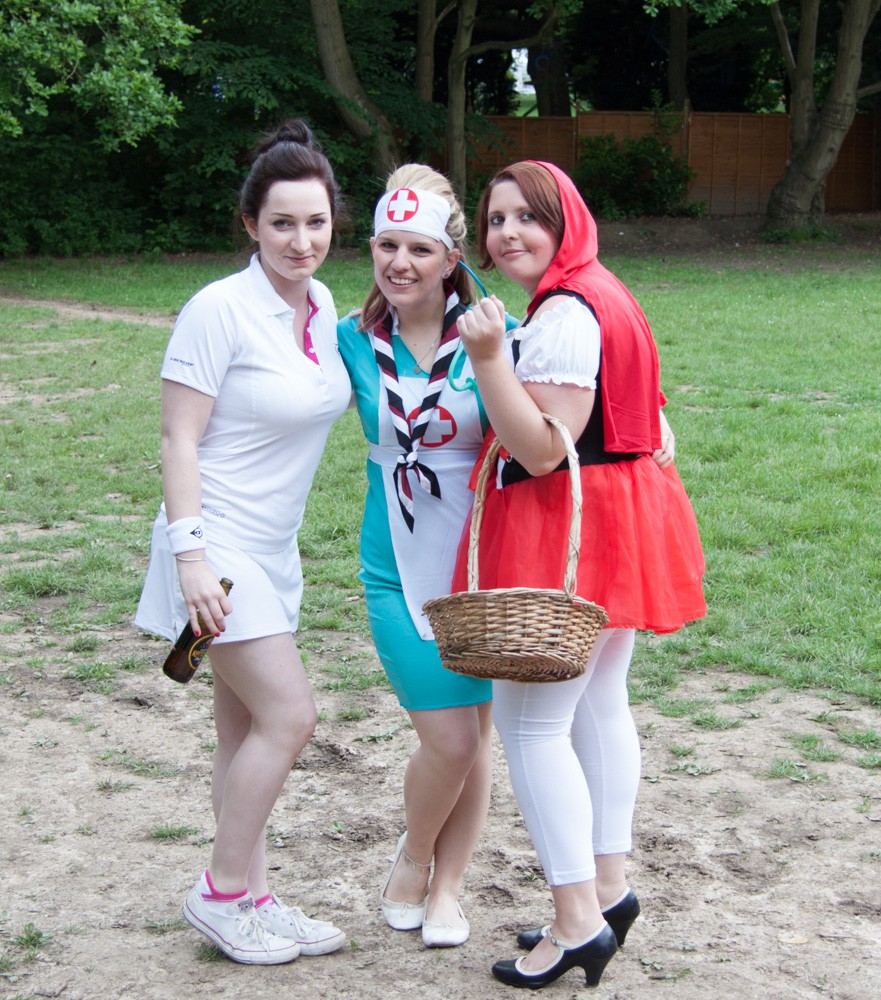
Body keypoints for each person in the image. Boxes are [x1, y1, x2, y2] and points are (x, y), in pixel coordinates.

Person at [452, 160, 706, 989]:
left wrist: (488, 357)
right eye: (495, 220)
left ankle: (575, 922)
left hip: (569, 528)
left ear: (565, 222)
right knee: (599, 701)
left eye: (528, 216)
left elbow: (540, 449)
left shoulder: (565, 311)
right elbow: (645, 416)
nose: (508, 233)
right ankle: (605, 887)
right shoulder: (602, 290)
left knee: (530, 724)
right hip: (615, 520)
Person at [135, 120, 351, 965]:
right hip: (216, 548)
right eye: (282, 224)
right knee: (290, 716)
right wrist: (191, 559)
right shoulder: (218, 308)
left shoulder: (323, 307)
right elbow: (176, 440)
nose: (301, 241)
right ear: (250, 225)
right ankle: (221, 893)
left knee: (244, 731)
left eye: (316, 222)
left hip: (274, 549)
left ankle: (254, 897)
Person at [337, 164, 517, 948]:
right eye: (386, 245)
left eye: (418, 248)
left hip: (482, 570)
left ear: (450, 258)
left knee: (474, 739)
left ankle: (447, 887)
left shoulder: (493, 330)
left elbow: (565, 400)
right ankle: (412, 857)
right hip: (393, 569)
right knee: (450, 740)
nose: (399, 263)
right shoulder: (348, 338)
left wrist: (653, 422)